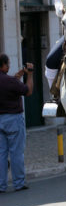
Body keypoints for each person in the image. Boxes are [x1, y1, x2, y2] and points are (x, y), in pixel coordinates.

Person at [0, 54, 33, 192]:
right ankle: (18, 183)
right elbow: (28, 91)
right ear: (3, 65)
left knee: (1, 154)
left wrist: (16, 77)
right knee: (16, 153)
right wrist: (29, 75)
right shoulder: (10, 81)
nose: (9, 66)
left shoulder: (10, 80)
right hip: (13, 119)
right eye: (7, 64)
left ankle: (1, 185)